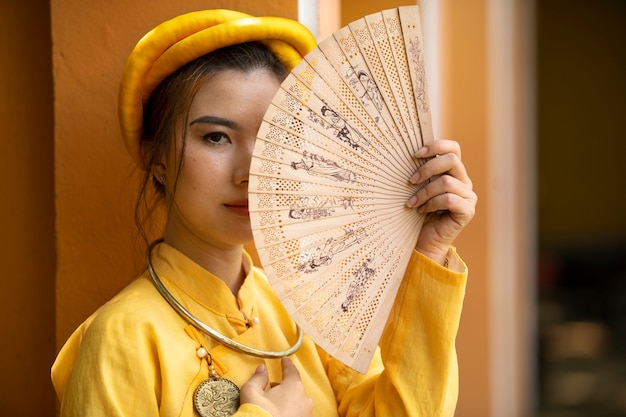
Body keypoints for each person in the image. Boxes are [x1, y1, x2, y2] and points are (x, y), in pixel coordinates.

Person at [51, 8, 477, 417]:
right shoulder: (121, 337)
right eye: (216, 137)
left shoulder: (303, 308)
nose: (251, 173)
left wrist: (430, 251)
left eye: (274, 139)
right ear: (157, 159)